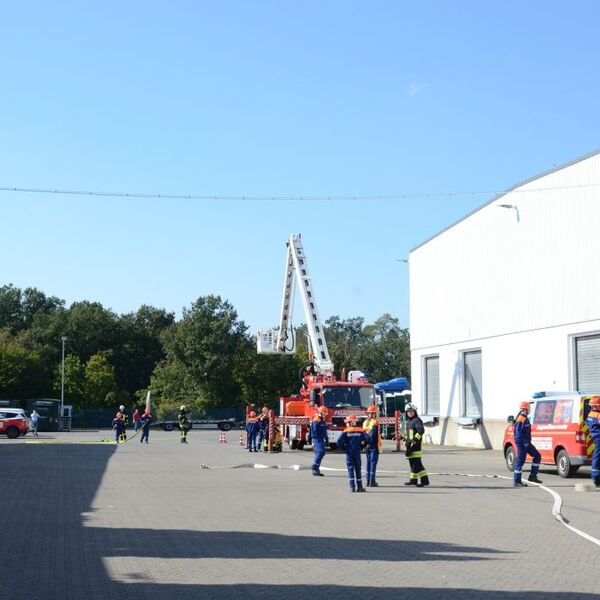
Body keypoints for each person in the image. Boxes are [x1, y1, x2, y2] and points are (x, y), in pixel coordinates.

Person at [513, 400, 542, 487]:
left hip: (527, 443)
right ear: (525, 409)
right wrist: (523, 444)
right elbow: (518, 434)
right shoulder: (521, 419)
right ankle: (517, 481)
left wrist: (527, 442)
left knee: (537, 456)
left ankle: (533, 476)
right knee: (520, 461)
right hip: (522, 444)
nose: (529, 410)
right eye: (529, 409)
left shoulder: (525, 418)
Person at [337, 415, 368, 492]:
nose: (346, 424)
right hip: (357, 452)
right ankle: (360, 487)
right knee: (358, 469)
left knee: (350, 469)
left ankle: (352, 487)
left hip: (349, 453)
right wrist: (362, 446)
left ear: (349, 423)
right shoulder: (360, 430)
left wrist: (344, 448)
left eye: (347, 423)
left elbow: (339, 441)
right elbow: (368, 439)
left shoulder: (345, 431)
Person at [404, 403, 430, 487]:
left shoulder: (417, 420)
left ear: (415, 412)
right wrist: (403, 437)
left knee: (418, 465)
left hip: (415, 446)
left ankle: (425, 481)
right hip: (409, 446)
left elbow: (421, 430)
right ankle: (413, 480)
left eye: (411, 411)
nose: (410, 413)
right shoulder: (409, 421)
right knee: (412, 464)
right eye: (408, 412)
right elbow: (409, 434)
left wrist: (415, 439)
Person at [363, 404, 382, 487]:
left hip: (366, 445)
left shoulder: (365, 423)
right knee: (373, 463)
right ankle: (372, 481)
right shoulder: (375, 422)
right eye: (375, 413)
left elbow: (363, 434)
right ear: (373, 413)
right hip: (373, 445)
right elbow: (373, 435)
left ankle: (368, 481)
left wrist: (364, 445)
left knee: (368, 463)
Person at [585, 396, 600, 488]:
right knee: (597, 458)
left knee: (597, 458)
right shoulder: (598, 415)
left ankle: (596, 478)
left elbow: (587, 422)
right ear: (596, 406)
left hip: (596, 438)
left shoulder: (590, 414)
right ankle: (596, 479)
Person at [310, 406, 329, 476]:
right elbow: (315, 430)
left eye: (325, 414)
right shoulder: (316, 419)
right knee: (320, 452)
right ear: (320, 413)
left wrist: (326, 438)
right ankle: (314, 467)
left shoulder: (322, 420)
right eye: (324, 414)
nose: (325, 415)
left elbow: (324, 430)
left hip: (321, 438)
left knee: (321, 453)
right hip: (317, 438)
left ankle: (316, 469)